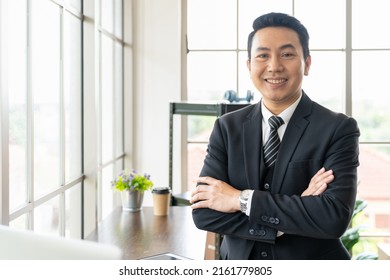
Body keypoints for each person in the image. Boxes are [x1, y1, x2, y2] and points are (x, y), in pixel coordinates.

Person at [190, 12, 360, 260]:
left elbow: (332, 217)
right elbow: (204, 213)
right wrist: (292, 216)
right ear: (249, 66)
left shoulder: (338, 128)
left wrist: (240, 199)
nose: (274, 66)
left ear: (307, 63)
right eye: (262, 55)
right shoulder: (227, 128)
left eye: (287, 54)